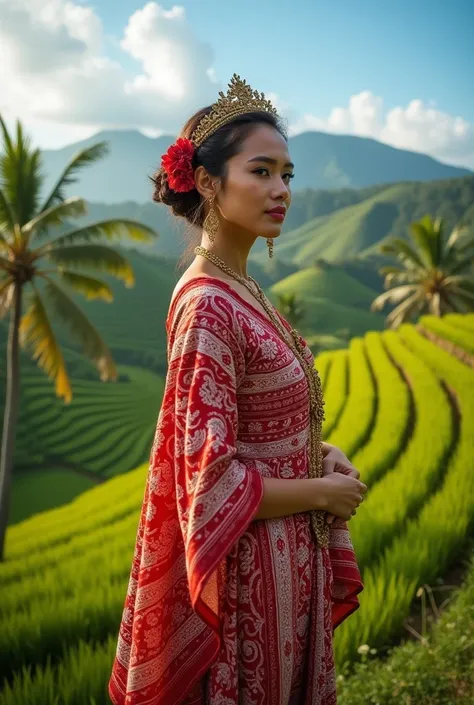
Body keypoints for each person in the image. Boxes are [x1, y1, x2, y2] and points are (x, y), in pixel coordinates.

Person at [108, 74, 366, 705]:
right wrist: (322, 492)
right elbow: (211, 483)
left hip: (287, 560)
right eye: (262, 171)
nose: (281, 190)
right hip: (252, 579)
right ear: (205, 182)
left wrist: (318, 455)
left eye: (288, 173)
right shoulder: (208, 308)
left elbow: (258, 425)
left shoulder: (240, 286)